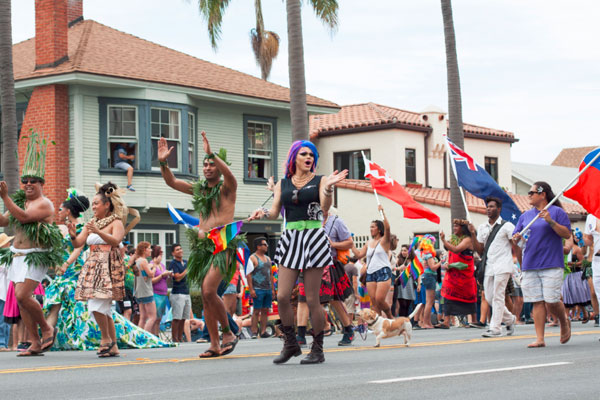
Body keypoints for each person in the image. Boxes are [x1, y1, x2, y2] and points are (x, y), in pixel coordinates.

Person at [249, 140, 347, 364]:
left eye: (312, 154)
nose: (308, 157)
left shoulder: (320, 180)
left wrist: (329, 188)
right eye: (304, 153)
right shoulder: (283, 184)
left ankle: (318, 349)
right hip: (291, 238)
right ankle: (291, 344)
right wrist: (262, 212)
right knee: (282, 296)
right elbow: (275, 213)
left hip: (313, 238)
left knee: (312, 299)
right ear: (295, 157)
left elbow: (324, 206)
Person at [158, 131, 242, 357]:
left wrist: (212, 153)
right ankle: (214, 343)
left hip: (223, 245)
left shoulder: (228, 188)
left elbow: (230, 175)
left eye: (211, 164)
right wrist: (163, 162)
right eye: (204, 164)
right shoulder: (201, 189)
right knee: (206, 296)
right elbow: (172, 181)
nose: (207, 167)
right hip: (202, 249)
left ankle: (228, 333)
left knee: (208, 289)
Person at [0, 132, 63, 356]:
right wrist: (5, 201)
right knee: (21, 301)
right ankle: (35, 342)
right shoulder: (19, 202)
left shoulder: (44, 204)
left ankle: (47, 328)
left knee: (22, 296)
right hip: (17, 256)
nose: (27, 184)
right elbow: (6, 220)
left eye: (32, 181)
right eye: (24, 181)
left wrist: (5, 197)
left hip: (36, 255)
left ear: (41, 184)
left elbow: (25, 218)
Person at [512, 181, 572, 348]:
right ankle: (540, 338)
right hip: (530, 264)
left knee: (551, 301)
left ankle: (563, 321)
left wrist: (551, 222)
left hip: (552, 262)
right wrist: (517, 239)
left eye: (532, 192)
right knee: (537, 301)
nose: (529, 195)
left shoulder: (557, 212)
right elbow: (517, 239)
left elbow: (567, 234)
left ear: (542, 194)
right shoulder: (525, 216)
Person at [72, 182, 127, 357]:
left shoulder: (116, 221)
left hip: (107, 264)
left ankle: (106, 340)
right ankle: (113, 345)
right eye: (93, 203)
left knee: (96, 305)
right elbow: (79, 243)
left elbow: (115, 240)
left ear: (107, 205)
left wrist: (98, 231)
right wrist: (73, 234)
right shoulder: (92, 222)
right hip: (93, 264)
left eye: (96, 203)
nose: (93, 206)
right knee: (103, 307)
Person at [469, 196, 517, 338]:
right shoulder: (482, 227)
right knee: (489, 297)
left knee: (498, 296)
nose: (488, 209)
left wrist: (516, 239)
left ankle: (495, 328)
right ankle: (510, 319)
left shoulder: (507, 226)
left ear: (499, 209)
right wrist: (472, 233)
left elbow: (514, 242)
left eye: (491, 207)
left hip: (503, 265)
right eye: (487, 207)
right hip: (489, 266)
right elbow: (480, 250)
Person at [44, 191, 90, 331]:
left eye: (60, 209)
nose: (58, 212)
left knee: (74, 303)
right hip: (61, 270)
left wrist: (65, 264)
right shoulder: (62, 228)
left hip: (73, 270)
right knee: (57, 301)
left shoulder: (82, 228)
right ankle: (51, 334)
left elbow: (78, 249)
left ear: (68, 211)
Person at [352, 206, 393, 318]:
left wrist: (382, 213)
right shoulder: (368, 242)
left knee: (380, 299)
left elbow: (388, 228)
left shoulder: (384, 240)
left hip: (383, 271)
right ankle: (379, 326)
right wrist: (351, 245)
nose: (371, 229)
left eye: (373, 227)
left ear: (379, 229)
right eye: (370, 227)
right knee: (374, 302)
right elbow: (359, 255)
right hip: (370, 273)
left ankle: (390, 316)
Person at [438, 219, 477, 328]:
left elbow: (455, 250)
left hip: (465, 274)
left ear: (463, 228)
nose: (454, 228)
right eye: (453, 226)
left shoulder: (468, 240)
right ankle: (446, 321)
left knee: (469, 296)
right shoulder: (455, 239)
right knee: (447, 294)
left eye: (457, 226)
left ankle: (474, 320)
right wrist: (447, 263)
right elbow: (450, 253)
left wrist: (443, 240)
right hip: (453, 273)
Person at [247, 237, 275, 338]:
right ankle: (254, 331)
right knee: (256, 311)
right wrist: (251, 289)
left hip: (267, 288)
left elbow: (271, 274)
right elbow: (249, 274)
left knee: (265, 310)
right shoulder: (252, 258)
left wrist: (272, 289)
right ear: (258, 246)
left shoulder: (268, 258)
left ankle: (263, 331)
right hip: (257, 288)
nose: (267, 246)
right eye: (264, 244)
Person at [169, 243, 192, 343]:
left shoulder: (186, 262)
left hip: (186, 292)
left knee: (184, 318)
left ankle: (180, 337)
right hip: (177, 293)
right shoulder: (173, 264)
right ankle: (175, 338)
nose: (180, 251)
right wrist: (187, 270)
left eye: (180, 249)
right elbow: (177, 278)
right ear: (173, 253)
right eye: (177, 250)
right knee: (177, 317)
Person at [134, 242, 157, 333]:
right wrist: (154, 267)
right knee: (152, 317)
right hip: (146, 291)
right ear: (144, 250)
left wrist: (150, 266)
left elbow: (142, 273)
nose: (151, 250)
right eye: (149, 248)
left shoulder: (137, 261)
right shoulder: (144, 261)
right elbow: (151, 275)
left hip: (138, 292)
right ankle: (146, 337)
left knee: (142, 317)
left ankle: (140, 336)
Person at [583, 213, 600, 330]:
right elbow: (588, 239)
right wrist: (585, 239)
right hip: (596, 261)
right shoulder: (591, 216)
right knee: (597, 293)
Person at [150, 245, 171, 335]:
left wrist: (168, 275)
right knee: (154, 317)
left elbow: (165, 278)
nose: (161, 257)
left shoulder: (162, 265)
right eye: (160, 254)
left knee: (159, 317)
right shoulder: (151, 265)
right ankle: (153, 335)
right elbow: (151, 281)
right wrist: (161, 275)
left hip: (163, 293)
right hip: (155, 293)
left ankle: (157, 334)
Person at [394, 245, 416, 318]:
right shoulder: (398, 260)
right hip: (401, 282)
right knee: (402, 304)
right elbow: (394, 269)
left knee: (408, 304)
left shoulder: (412, 261)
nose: (403, 252)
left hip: (409, 282)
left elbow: (416, 273)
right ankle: (401, 320)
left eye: (405, 250)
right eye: (402, 250)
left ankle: (405, 322)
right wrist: (399, 268)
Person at [0, 233, 14, 351]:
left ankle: (3, 342)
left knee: (4, 318)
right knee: (3, 319)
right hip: (3, 292)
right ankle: (2, 343)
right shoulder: (5, 259)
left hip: (5, 292)